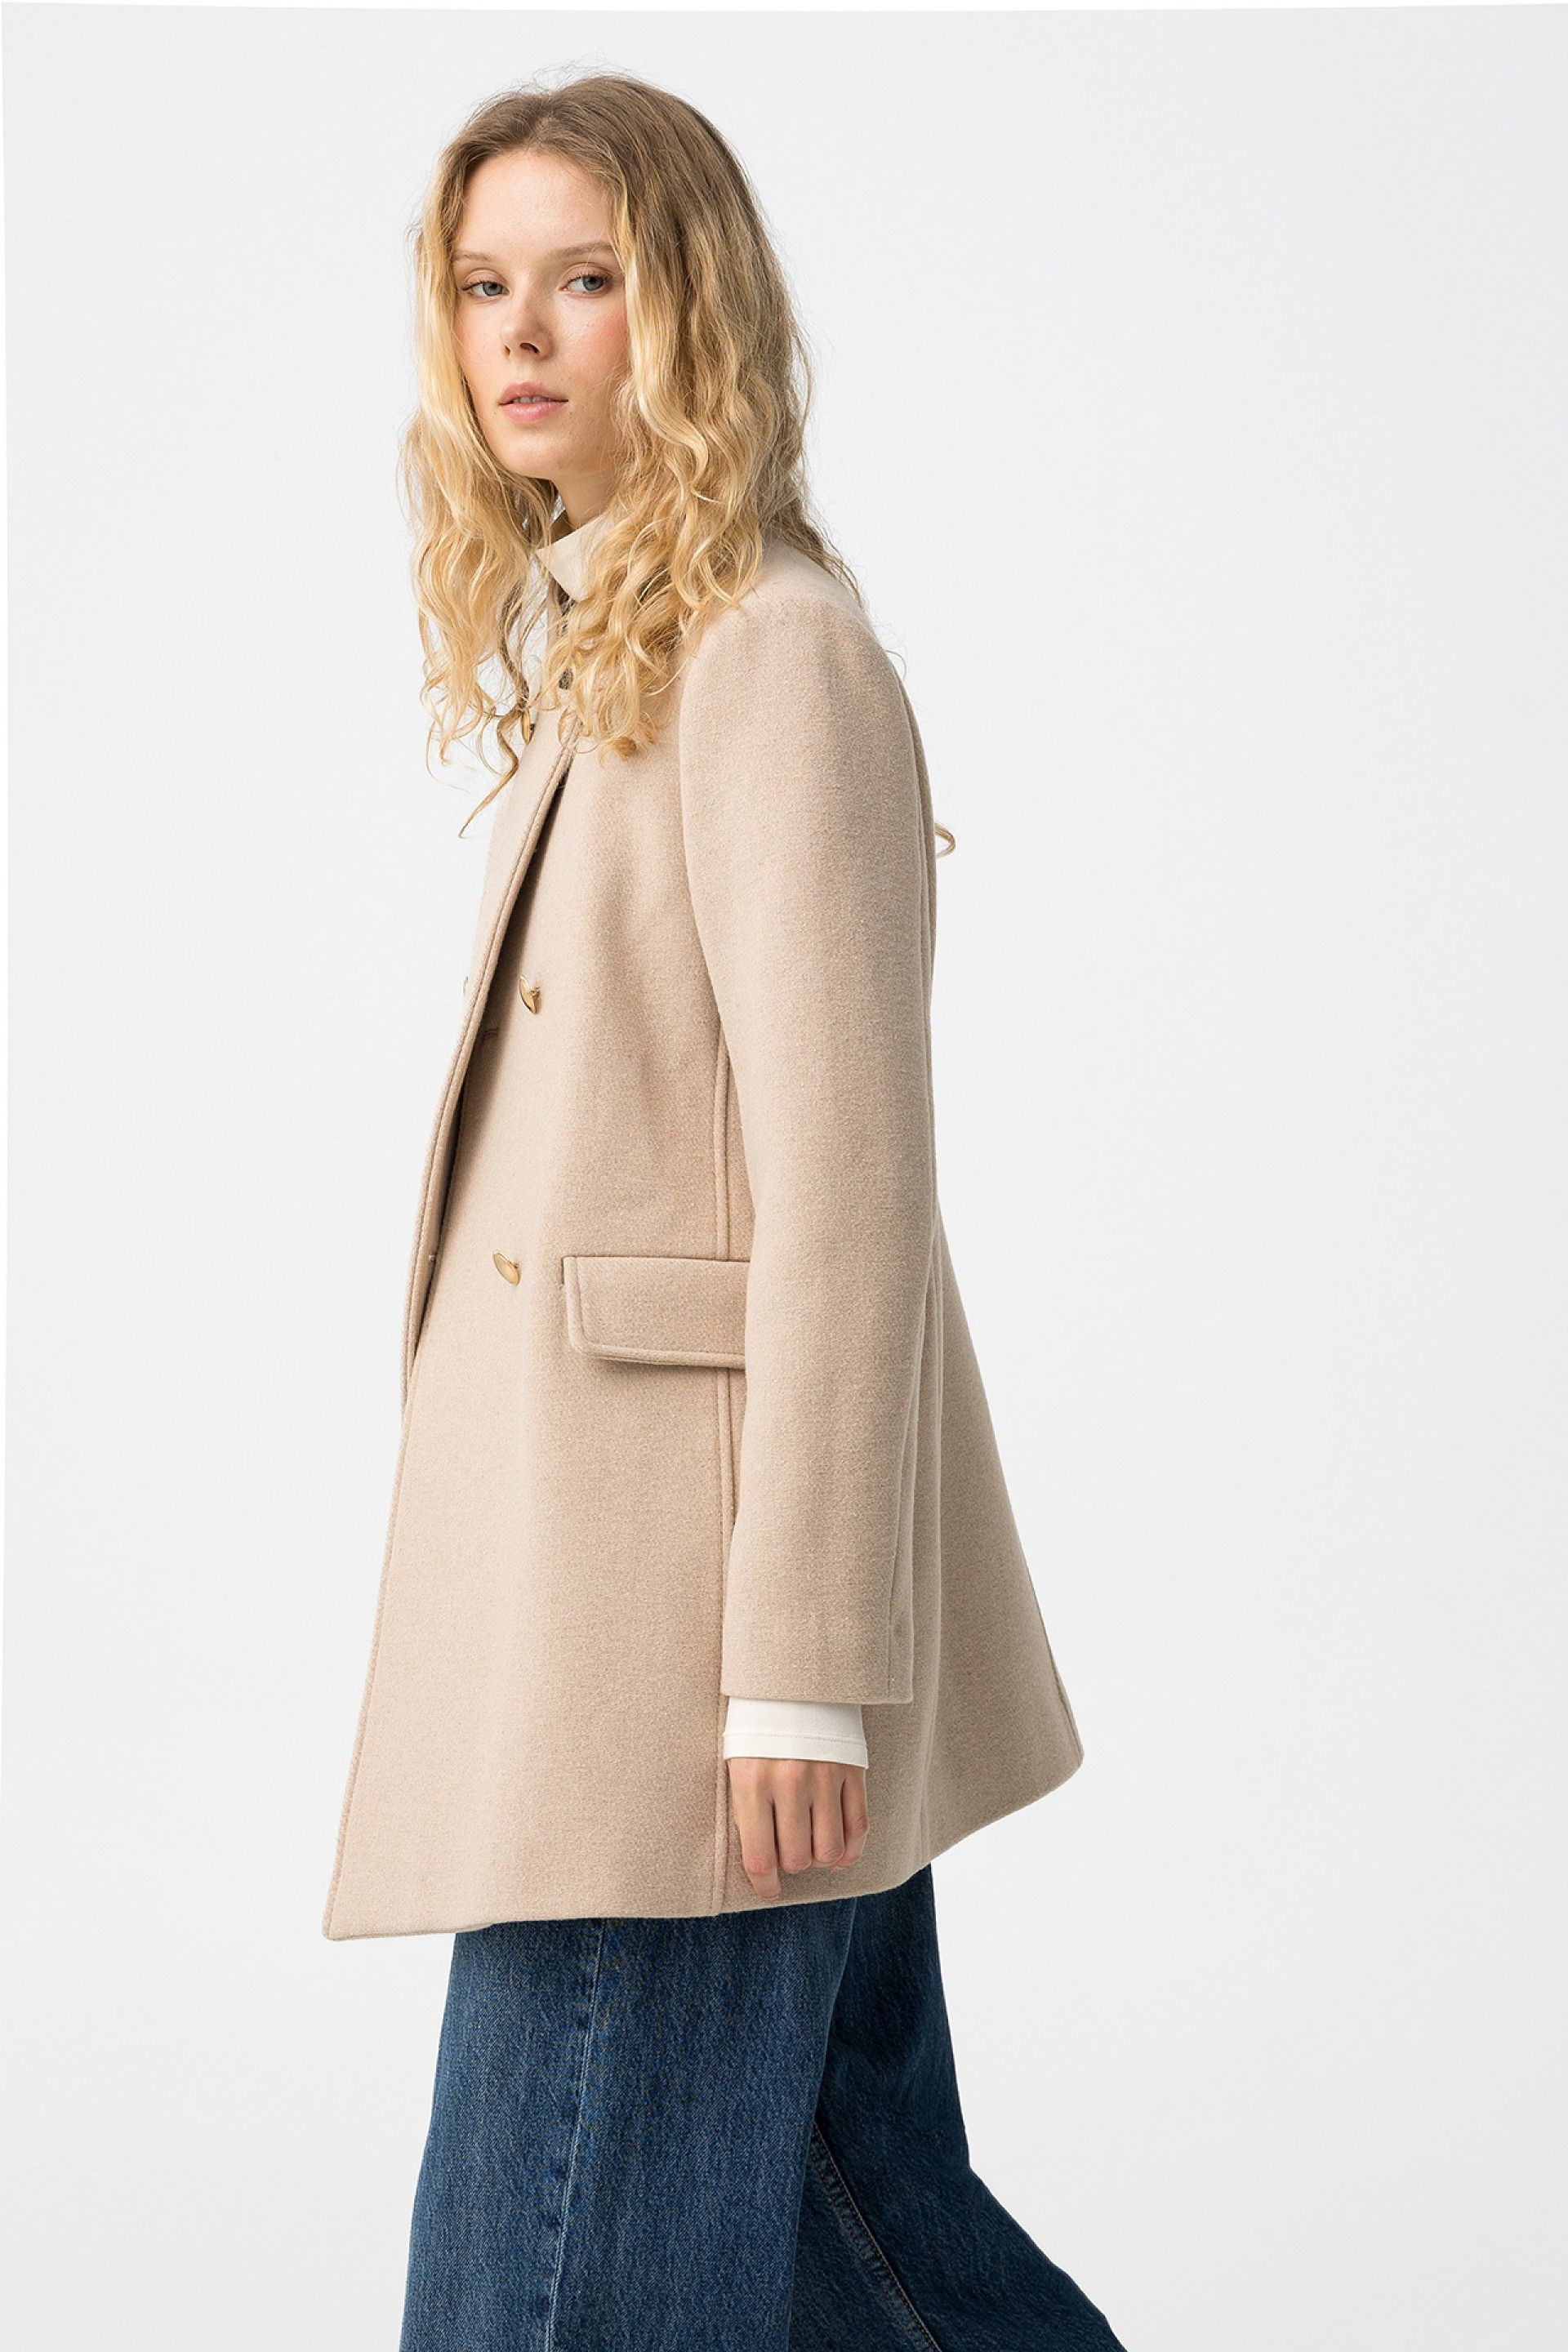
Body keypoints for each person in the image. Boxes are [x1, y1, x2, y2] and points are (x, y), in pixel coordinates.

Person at [323, 69, 1128, 2351]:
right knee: (873, 2248)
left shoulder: (771, 655)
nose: (520, 334)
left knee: (545, 2294)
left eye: (585, 279)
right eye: (484, 285)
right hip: (627, 1618)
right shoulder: (621, 653)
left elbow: (850, 1193)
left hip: (691, 1657)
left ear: (690, 312)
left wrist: (801, 1667)